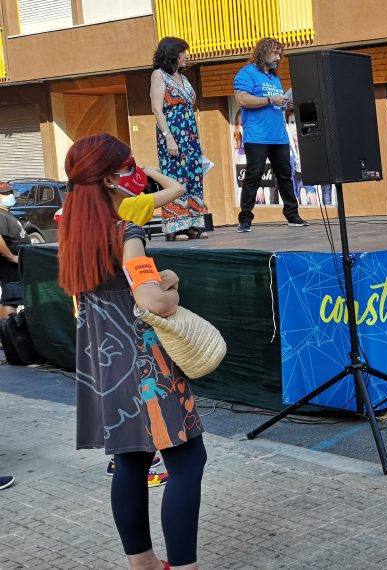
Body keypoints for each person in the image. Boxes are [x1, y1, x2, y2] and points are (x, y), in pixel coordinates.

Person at [59, 134, 207, 570]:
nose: (132, 175)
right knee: (187, 461)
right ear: (109, 177)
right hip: (145, 365)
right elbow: (152, 302)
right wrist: (172, 285)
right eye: (126, 168)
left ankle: (142, 565)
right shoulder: (126, 228)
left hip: (104, 366)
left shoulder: (73, 230)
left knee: (131, 460)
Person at [234, 36, 308, 232]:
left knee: (285, 176)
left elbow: (275, 103)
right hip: (257, 136)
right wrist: (270, 100)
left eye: (280, 54)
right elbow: (242, 99)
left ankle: (292, 215)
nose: (278, 58)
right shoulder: (247, 73)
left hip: (279, 136)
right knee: (253, 177)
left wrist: (285, 104)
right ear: (263, 52)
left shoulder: (274, 77)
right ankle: (245, 220)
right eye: (275, 53)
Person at [150, 36, 209, 242]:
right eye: (183, 52)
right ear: (172, 54)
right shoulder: (159, 76)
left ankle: (192, 224)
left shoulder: (183, 79)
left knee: (193, 176)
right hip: (173, 134)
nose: (186, 56)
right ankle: (174, 228)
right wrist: (169, 138)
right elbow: (157, 109)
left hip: (190, 136)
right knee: (176, 178)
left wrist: (197, 142)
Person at [0, 184, 28, 318]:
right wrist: (11, 257)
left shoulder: (5, 213)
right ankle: (8, 335)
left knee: (11, 300)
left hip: (16, 266)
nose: (10, 196)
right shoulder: (0, 214)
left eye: (11, 192)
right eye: (5, 194)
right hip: (10, 268)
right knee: (10, 302)